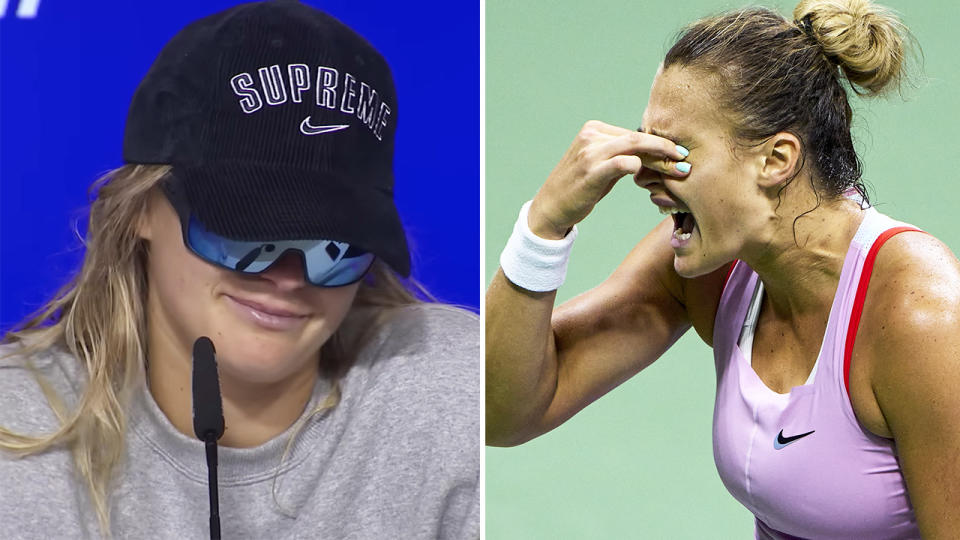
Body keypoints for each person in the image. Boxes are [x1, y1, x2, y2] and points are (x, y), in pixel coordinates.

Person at [0, 2, 479, 538]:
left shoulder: (457, 389)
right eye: (246, 233)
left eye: (335, 246)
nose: (289, 278)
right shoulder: (12, 433)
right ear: (137, 209)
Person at [486, 0, 960, 537]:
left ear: (776, 160)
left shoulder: (922, 321)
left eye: (676, 150)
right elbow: (503, 411)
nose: (645, 174)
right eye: (649, 144)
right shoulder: (713, 266)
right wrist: (542, 228)